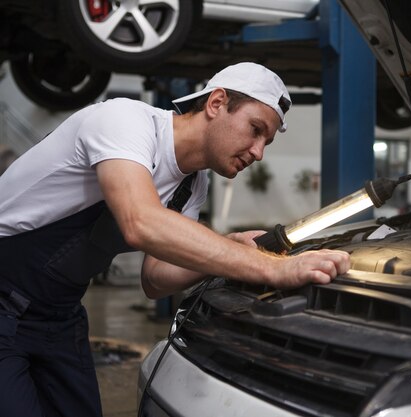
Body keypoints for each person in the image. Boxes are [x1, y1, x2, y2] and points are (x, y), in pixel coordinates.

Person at [0, 62, 350, 417]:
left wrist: (234, 244)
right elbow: (141, 222)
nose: (259, 152)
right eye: (255, 130)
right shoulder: (125, 122)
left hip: (59, 315)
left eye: (267, 142)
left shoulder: (192, 185)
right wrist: (273, 268)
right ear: (216, 103)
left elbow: (155, 279)